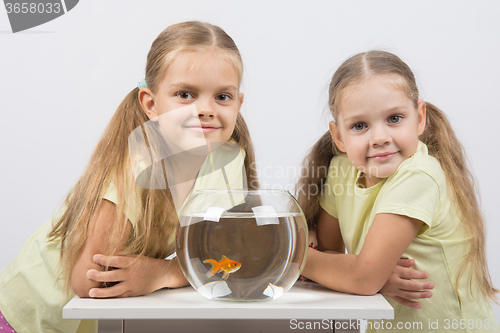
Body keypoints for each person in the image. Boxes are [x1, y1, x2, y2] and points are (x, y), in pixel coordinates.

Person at [0, 21, 258, 333]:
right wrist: (180, 271)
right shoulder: (135, 169)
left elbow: (228, 252)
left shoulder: (227, 158)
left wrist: (167, 273)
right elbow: (87, 279)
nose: (205, 109)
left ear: (238, 104)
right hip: (28, 316)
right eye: (186, 94)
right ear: (151, 104)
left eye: (222, 97)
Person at [298, 50, 498, 332]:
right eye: (359, 125)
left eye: (394, 118)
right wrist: (369, 278)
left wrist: (293, 256)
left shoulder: (418, 176)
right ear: (339, 136)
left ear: (419, 117)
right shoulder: (341, 171)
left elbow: (362, 278)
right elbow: (333, 256)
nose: (379, 138)